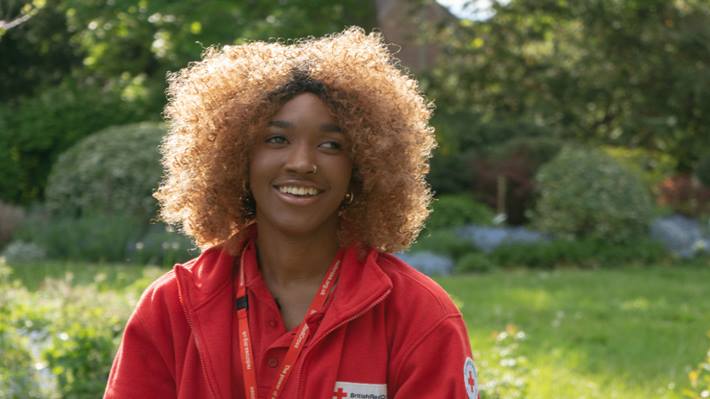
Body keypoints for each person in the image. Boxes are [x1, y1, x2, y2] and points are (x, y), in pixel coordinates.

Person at [104, 27, 479, 399]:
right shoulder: (174, 307)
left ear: (362, 166)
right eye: (277, 139)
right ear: (237, 157)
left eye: (331, 145)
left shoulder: (419, 316)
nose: (302, 163)